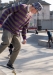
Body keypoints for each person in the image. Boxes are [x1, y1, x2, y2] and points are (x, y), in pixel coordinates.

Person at [0, 2, 43, 69]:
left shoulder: (30, 16)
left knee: (18, 46)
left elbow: (25, 28)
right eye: (37, 11)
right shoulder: (22, 7)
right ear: (34, 7)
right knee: (6, 42)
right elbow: (8, 11)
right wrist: (1, 22)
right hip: (8, 27)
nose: (36, 12)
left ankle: (10, 64)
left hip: (16, 32)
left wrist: (24, 38)